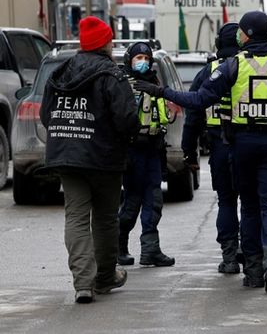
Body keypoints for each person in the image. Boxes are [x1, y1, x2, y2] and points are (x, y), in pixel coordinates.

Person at [135, 11, 267, 294]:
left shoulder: (233, 66)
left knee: (246, 206)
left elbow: (198, 100)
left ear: (247, 34)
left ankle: (254, 272)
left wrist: (161, 92)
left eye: (241, 32)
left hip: (243, 145)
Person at [39, 16, 140, 303]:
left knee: (77, 218)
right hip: (104, 158)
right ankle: (105, 278)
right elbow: (126, 120)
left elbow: (47, 115)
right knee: (106, 219)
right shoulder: (112, 76)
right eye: (110, 39)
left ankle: (83, 284)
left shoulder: (59, 73)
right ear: (105, 43)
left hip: (66, 157)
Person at [181, 23, 242, 274]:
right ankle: (250, 255)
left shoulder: (208, 71)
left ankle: (229, 258)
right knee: (251, 202)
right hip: (246, 144)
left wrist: (189, 151)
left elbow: (193, 115)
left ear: (218, 44)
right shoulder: (249, 68)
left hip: (218, 147)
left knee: (227, 202)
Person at [117, 42, 175, 268]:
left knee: (154, 200)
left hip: (152, 148)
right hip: (132, 150)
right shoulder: (122, 84)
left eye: (146, 58)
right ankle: (118, 246)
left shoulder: (153, 82)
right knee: (133, 200)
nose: (143, 62)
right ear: (129, 59)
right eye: (138, 57)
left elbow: (160, 117)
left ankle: (150, 250)